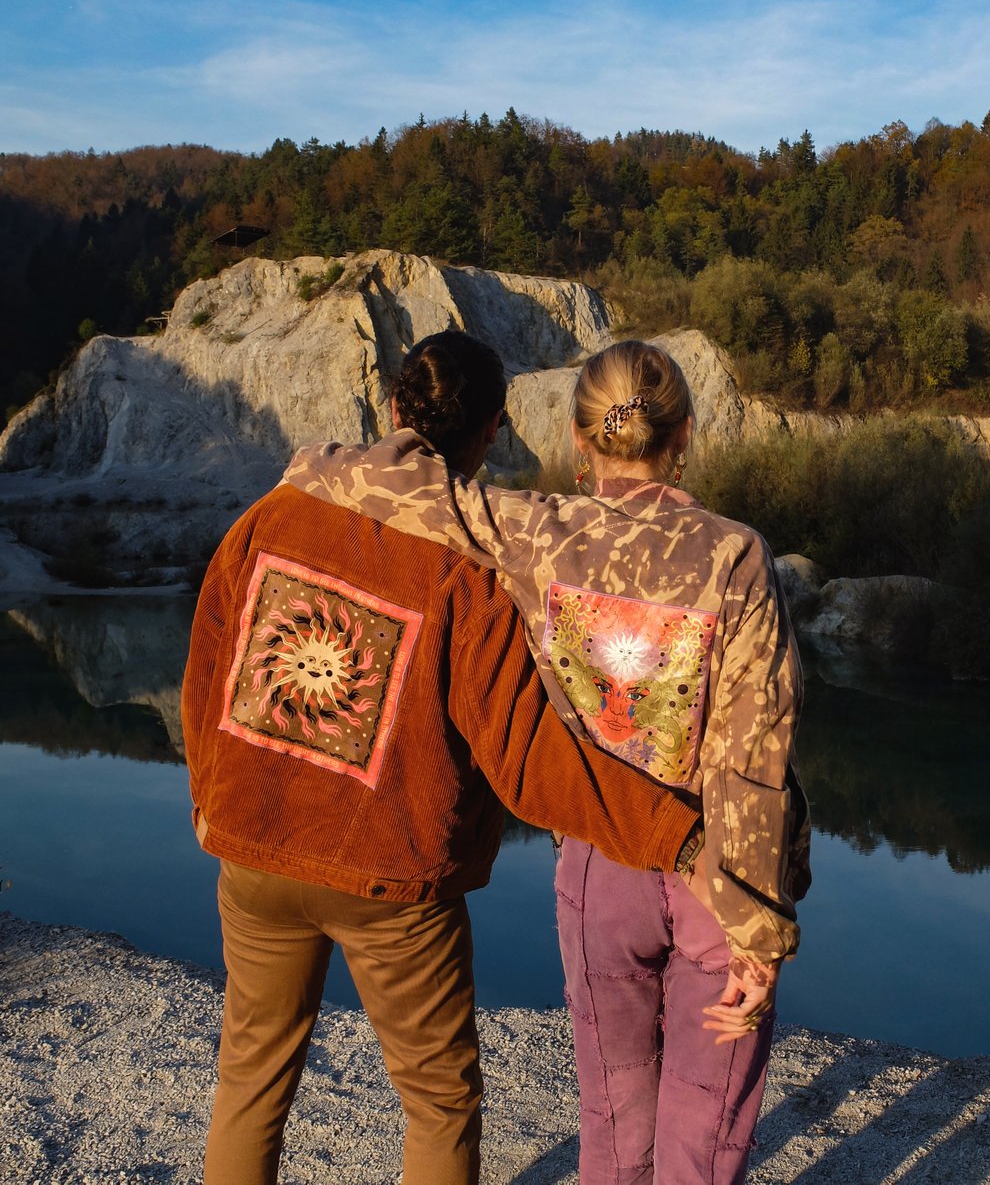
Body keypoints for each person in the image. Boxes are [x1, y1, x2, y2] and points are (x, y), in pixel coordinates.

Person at [285, 338, 811, 1185]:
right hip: (717, 869)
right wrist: (757, 930)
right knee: (702, 1139)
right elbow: (756, 749)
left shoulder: (534, 530)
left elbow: (383, 485)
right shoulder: (735, 556)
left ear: (577, 440)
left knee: (611, 1119)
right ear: (682, 438)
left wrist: (314, 460)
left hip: (598, 862)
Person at [181, 331, 703, 1185]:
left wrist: (212, 801)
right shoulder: (466, 569)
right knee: (439, 1100)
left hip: (256, 848)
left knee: (248, 1080)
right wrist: (672, 830)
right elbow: (530, 756)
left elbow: (207, 669)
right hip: (391, 881)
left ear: (392, 408)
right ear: (492, 433)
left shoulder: (273, 514)